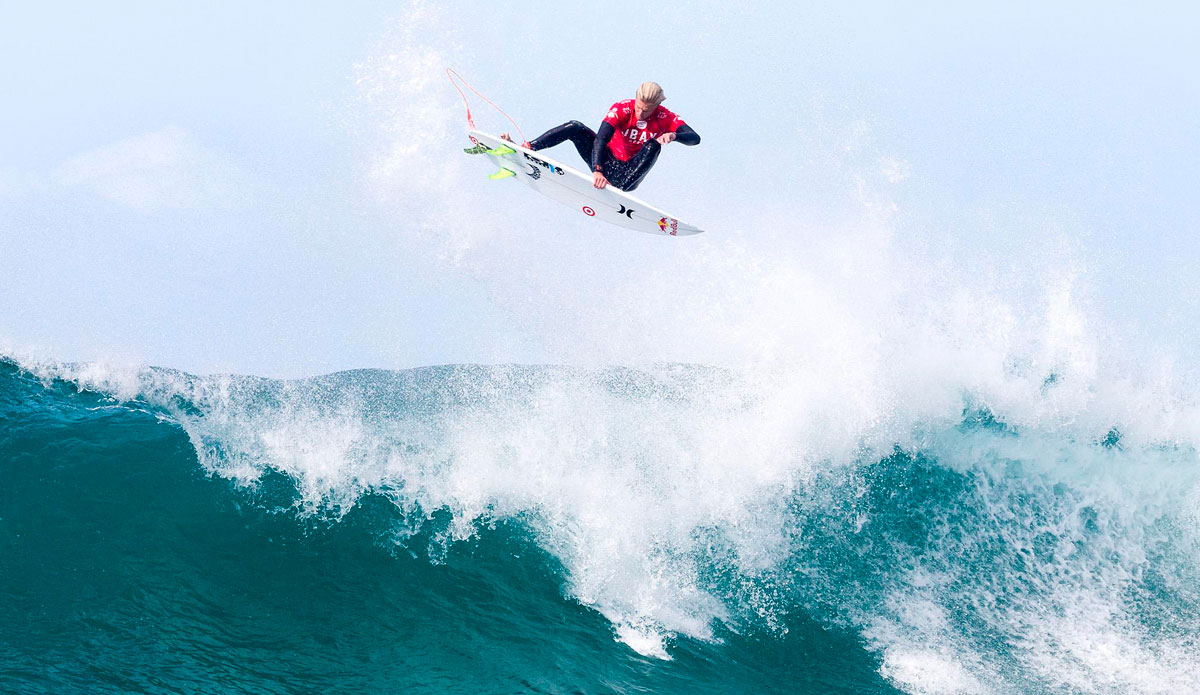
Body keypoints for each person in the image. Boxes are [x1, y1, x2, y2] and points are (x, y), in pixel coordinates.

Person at [504, 82, 700, 192]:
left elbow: (694, 138)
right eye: (639, 107)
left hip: (629, 174)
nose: (640, 114)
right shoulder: (622, 109)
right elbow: (601, 139)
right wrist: (597, 170)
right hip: (604, 164)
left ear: (657, 106)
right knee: (575, 127)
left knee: (653, 145)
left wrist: (674, 135)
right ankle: (527, 147)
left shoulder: (665, 117)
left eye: (646, 110)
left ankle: (618, 190)